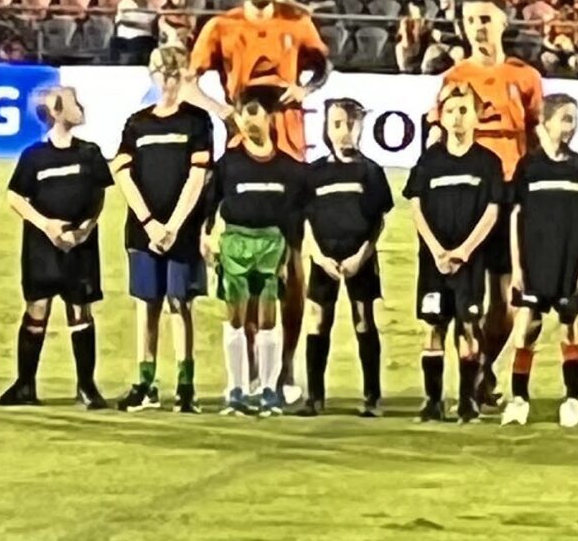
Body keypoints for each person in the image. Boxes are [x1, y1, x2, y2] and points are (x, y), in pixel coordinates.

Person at [191, 0, 331, 399]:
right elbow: (191, 81)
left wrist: (304, 87)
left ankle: (284, 368)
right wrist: (222, 112)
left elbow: (323, 65)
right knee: (243, 266)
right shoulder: (221, 26)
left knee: (291, 266)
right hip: (241, 155)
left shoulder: (297, 22)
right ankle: (247, 370)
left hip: (290, 151)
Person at [437, 0, 546, 404]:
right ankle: (472, 378)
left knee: (508, 299)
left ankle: (483, 366)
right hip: (465, 197)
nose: (477, 27)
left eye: (485, 19)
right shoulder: (454, 77)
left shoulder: (526, 77)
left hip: (511, 196)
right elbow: (438, 137)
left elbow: (537, 139)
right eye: (469, 20)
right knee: (464, 297)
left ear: (503, 23)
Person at [111, 41, 215, 412]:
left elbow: (199, 175)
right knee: (146, 305)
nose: (167, 80)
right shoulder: (136, 123)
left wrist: (173, 225)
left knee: (179, 303)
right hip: (144, 231)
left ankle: (185, 385)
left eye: (174, 73)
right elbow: (122, 174)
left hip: (182, 231)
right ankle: (145, 381)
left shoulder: (196, 121)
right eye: (161, 72)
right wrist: (150, 223)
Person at [0, 85, 114, 410]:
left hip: (80, 245)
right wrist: (46, 225)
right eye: (74, 102)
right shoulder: (33, 156)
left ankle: (86, 386)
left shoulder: (89, 152)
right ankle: (25, 384)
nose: (81, 107)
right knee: (37, 308)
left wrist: (85, 229)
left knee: (80, 310)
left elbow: (99, 195)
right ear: (56, 112)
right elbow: (15, 197)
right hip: (42, 245)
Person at [403, 83, 507, 423]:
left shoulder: (488, 162)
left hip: (469, 262)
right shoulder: (429, 161)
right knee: (434, 327)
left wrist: (463, 251)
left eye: (464, 111)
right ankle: (433, 401)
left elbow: (492, 211)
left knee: (468, 326)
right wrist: (436, 250)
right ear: (441, 118)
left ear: (477, 117)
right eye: (451, 111)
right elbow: (415, 205)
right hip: (434, 262)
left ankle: (466, 402)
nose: (457, 118)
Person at [502, 94, 578, 429]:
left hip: (569, 263)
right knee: (528, 327)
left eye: (573, 120)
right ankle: (519, 399)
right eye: (563, 119)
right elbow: (516, 217)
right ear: (545, 123)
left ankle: (572, 400)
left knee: (571, 327)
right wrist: (517, 268)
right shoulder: (528, 168)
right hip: (534, 262)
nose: (569, 127)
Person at [205, 87, 309, 415]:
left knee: (267, 317)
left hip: (272, 245)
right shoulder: (228, 165)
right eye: (243, 115)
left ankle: (268, 389)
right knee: (235, 318)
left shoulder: (290, 169)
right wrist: (205, 236)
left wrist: (290, 256)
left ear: (269, 118)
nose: (249, 122)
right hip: (235, 241)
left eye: (255, 114)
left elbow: (297, 215)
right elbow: (210, 204)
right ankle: (236, 388)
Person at [298, 97, 393, 416]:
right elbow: (306, 219)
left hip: (360, 258)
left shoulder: (371, 172)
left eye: (350, 124)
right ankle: (314, 397)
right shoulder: (314, 173)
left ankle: (372, 398)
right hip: (324, 257)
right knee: (317, 320)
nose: (344, 131)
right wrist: (317, 256)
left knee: (364, 320)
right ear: (326, 127)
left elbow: (378, 221)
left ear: (361, 126)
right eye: (337, 124)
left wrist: (361, 256)